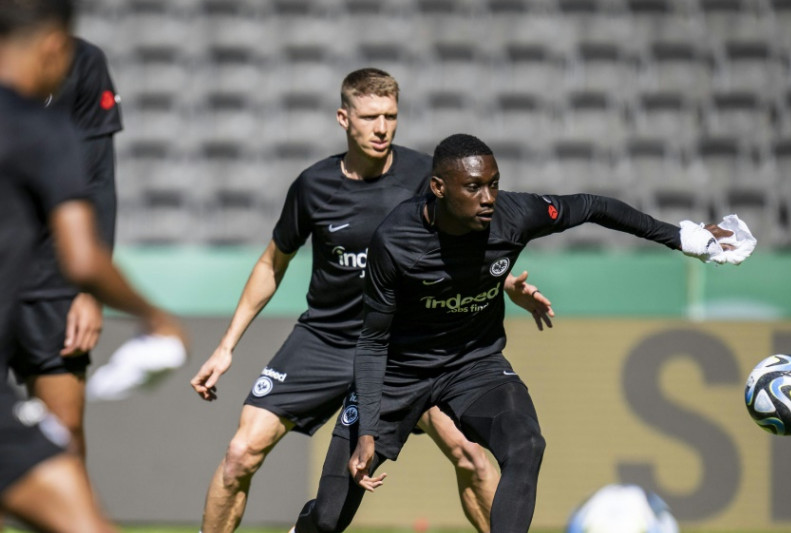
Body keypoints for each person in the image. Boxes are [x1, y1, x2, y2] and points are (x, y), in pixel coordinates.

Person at [294, 133, 753, 533]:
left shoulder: (514, 215)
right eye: (473, 187)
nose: (489, 196)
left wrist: (683, 237)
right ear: (438, 188)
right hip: (399, 371)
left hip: (473, 364)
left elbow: (592, 206)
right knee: (331, 518)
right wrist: (370, 428)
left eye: (493, 183)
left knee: (526, 443)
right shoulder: (396, 240)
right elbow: (373, 341)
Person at [189, 69, 553, 533]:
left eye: (390, 116)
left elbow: (467, 246)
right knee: (241, 453)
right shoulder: (312, 186)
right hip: (325, 338)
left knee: (471, 457)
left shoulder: (429, 177)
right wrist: (226, 346)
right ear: (344, 118)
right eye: (369, 117)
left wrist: (504, 284)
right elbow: (270, 264)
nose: (381, 128)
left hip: (403, 351)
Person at [0, 0, 187, 530]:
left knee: (63, 434)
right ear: (54, 45)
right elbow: (81, 254)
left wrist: (81, 294)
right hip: (52, 278)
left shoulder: (82, 76)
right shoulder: (41, 127)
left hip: (45, 290)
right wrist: (154, 316)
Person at [5, 33, 122, 459]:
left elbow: (98, 182)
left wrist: (90, 290)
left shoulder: (82, 60)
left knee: (63, 431)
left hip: (52, 278)